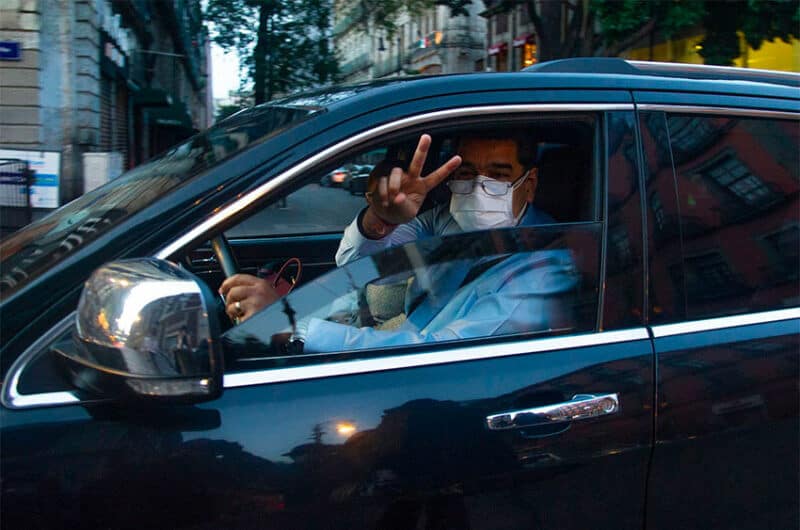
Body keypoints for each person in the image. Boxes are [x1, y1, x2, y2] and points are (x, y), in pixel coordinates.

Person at [220, 133, 576, 352]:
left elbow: (436, 355)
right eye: (466, 173)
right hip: (396, 339)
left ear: (529, 184)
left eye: (498, 175)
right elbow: (362, 265)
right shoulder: (445, 220)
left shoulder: (545, 267)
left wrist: (293, 328)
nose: (479, 187)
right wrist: (383, 218)